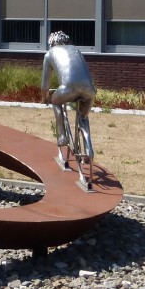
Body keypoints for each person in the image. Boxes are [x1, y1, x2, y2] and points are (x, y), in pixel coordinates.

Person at [41, 30, 97, 186]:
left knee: (56, 102)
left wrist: (44, 97)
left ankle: (62, 136)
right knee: (83, 116)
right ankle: (89, 150)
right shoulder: (76, 50)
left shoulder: (50, 53)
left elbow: (45, 84)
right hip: (89, 90)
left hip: (67, 89)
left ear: (52, 42)